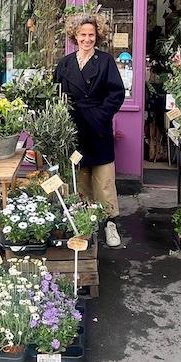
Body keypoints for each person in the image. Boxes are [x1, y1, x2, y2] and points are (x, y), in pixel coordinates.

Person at [54, 13, 126, 247]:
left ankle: (110, 224)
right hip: (73, 129)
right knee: (79, 179)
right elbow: (55, 95)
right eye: (83, 34)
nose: (87, 39)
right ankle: (83, 225)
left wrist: (99, 116)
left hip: (98, 128)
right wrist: (61, 121)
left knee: (104, 180)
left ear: (98, 36)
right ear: (74, 35)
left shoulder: (104, 61)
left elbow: (116, 94)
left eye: (91, 35)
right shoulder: (64, 63)